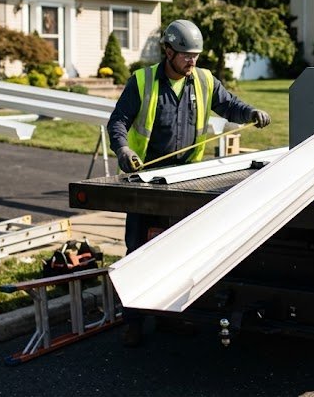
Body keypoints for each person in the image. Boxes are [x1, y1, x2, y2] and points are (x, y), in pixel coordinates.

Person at [106, 19, 271, 346]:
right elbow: (119, 122)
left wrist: (251, 112)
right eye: (184, 55)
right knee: (138, 250)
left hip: (186, 181)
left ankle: (171, 319)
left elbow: (229, 105)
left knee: (180, 253)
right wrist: (123, 149)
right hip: (146, 180)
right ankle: (135, 322)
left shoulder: (204, 80)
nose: (191, 61)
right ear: (167, 51)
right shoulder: (142, 82)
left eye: (195, 55)